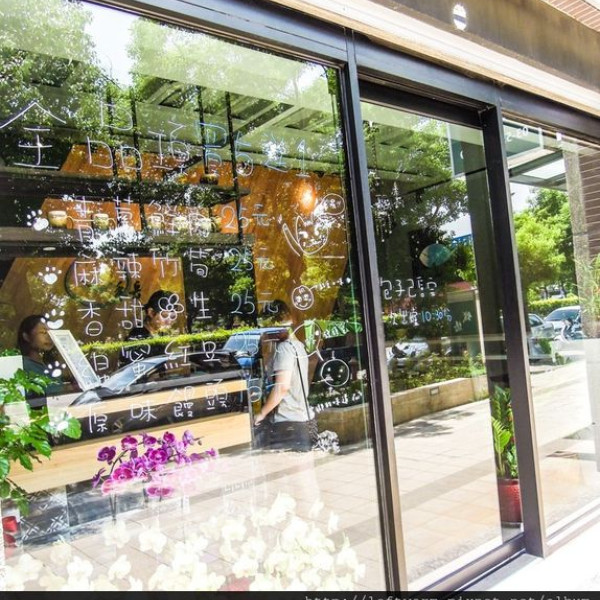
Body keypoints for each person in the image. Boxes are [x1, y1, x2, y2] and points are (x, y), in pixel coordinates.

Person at [254, 301, 315, 450]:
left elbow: (282, 387)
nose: (268, 332)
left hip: (288, 423)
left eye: (270, 327)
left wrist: (262, 413)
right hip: (303, 419)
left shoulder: (284, 348)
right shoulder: (298, 345)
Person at [16, 315, 72, 398]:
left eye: (51, 332)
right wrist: (67, 388)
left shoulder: (49, 364)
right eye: (43, 332)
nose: (49, 337)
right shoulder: (23, 365)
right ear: (26, 336)